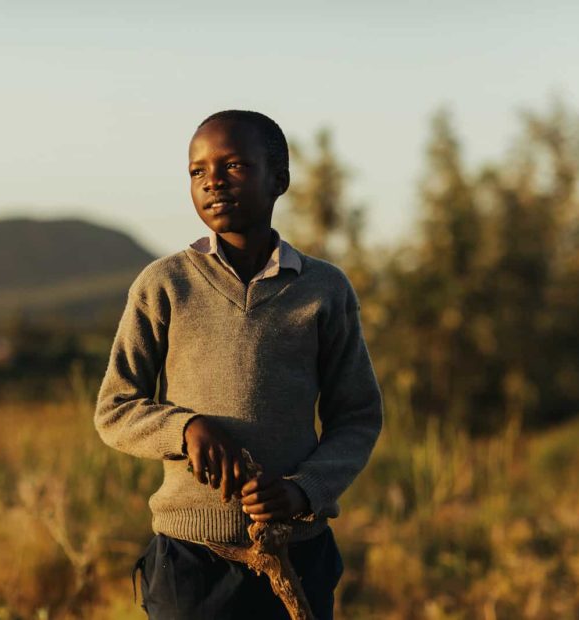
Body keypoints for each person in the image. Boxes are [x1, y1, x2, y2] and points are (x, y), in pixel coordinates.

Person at [94, 109, 383, 619]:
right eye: (197, 172)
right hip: (189, 562)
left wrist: (302, 492)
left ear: (279, 179)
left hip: (296, 553)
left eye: (233, 166)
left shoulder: (324, 289)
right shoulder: (164, 284)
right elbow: (115, 409)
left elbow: (357, 416)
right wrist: (186, 429)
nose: (213, 182)